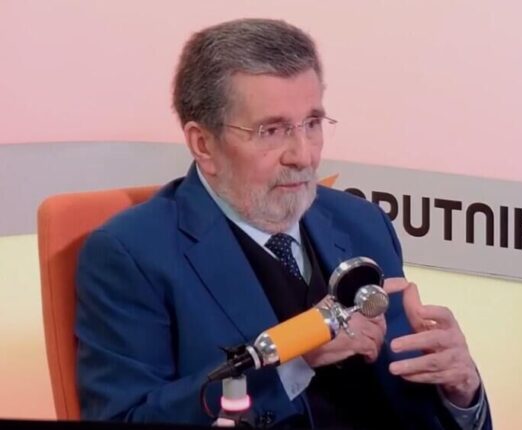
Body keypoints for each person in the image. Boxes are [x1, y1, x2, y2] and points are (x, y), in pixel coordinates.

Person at [75, 18, 492, 430]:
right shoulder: (131, 255)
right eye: (271, 130)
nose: (303, 155)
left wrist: (461, 395)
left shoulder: (362, 222)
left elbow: (410, 392)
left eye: (312, 124)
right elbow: (129, 417)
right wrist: (294, 362)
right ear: (203, 144)